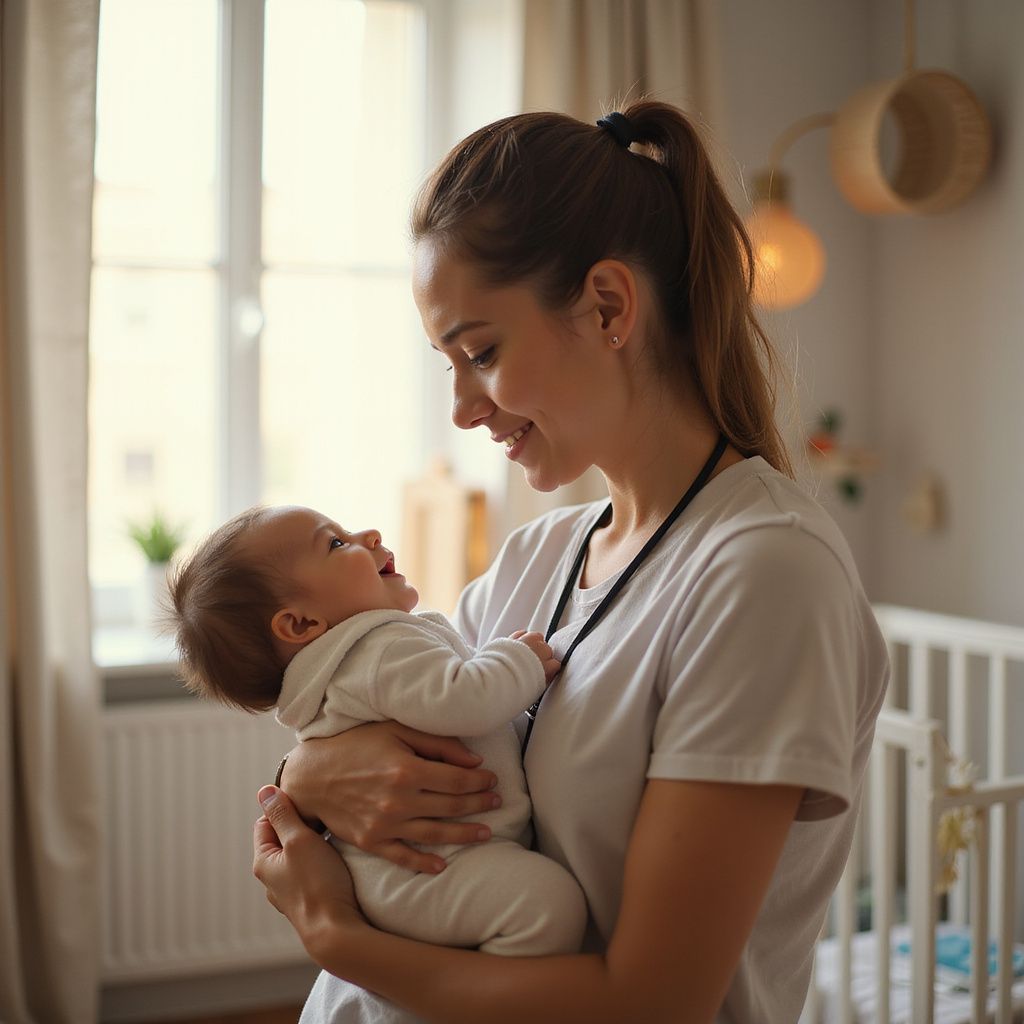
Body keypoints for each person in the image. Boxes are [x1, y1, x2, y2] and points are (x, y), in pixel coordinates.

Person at [251, 100, 890, 1024]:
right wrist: (309, 775)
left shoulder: (762, 576)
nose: (465, 408)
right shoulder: (537, 557)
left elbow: (653, 1000)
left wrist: (335, 937)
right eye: (449, 365)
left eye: (481, 352)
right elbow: (375, 716)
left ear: (607, 305)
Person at [169, 504, 586, 956]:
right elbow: (462, 700)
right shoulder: (378, 647)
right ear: (301, 623)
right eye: (335, 542)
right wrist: (517, 661)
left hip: (411, 872)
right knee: (546, 905)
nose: (368, 534)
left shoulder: (356, 660)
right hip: (430, 868)